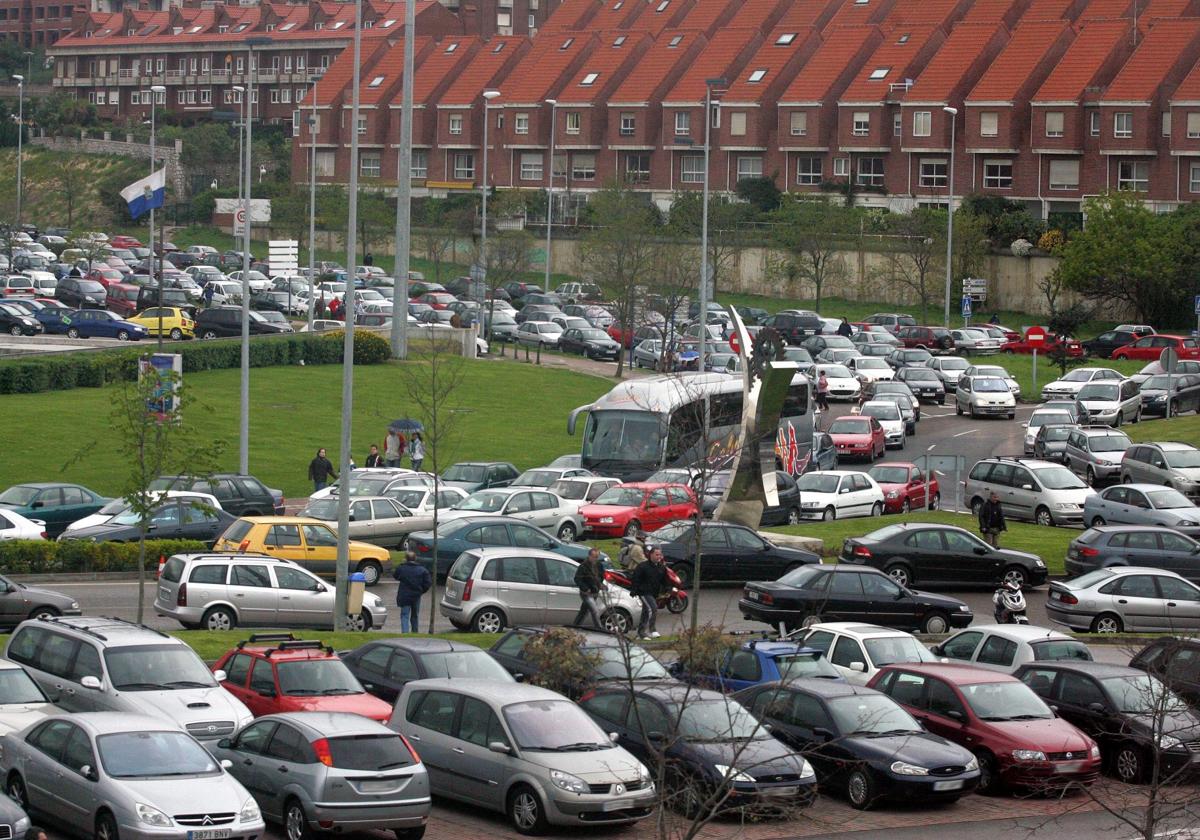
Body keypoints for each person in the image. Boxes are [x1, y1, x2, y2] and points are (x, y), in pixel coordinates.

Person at [632, 546, 668, 640]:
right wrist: (635, 590)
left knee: (645, 612)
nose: (659, 557)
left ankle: (640, 633)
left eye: (660, 554)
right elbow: (636, 578)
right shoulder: (643, 566)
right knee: (653, 608)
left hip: (653, 593)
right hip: (644, 592)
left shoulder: (662, 567)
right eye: (656, 554)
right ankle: (651, 630)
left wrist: (668, 589)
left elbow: (664, 580)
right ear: (650, 554)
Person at [393, 550, 432, 633]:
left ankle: (405, 633)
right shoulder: (422, 570)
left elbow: (395, 575)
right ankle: (415, 632)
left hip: (404, 596)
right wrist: (421, 591)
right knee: (415, 615)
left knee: (404, 615)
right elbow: (428, 583)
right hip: (416, 596)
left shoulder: (402, 568)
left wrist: (402, 564)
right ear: (415, 559)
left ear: (406, 559)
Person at [572, 547, 604, 629]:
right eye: (593, 557)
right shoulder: (583, 566)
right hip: (586, 593)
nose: (595, 559)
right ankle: (599, 628)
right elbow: (577, 579)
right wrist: (585, 588)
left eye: (597, 557)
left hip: (595, 591)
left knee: (584, 611)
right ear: (589, 556)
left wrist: (600, 585)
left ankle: (575, 626)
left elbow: (601, 577)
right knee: (594, 610)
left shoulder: (599, 565)